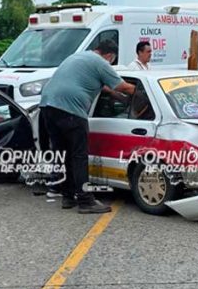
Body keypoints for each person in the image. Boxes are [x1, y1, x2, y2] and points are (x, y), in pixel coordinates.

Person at [39, 39, 135, 213]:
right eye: (112, 61)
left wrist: (116, 96)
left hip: (48, 106)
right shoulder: (101, 62)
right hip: (70, 110)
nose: (111, 63)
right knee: (79, 156)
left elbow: (99, 85)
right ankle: (85, 200)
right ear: (110, 55)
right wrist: (139, 94)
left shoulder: (80, 57)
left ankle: (68, 197)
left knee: (63, 154)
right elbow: (124, 86)